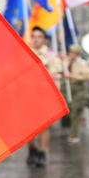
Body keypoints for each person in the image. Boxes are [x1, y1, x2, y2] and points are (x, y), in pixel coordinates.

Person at [27, 26, 61, 167]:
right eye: (34, 36)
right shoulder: (27, 52)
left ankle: (42, 152)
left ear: (45, 39)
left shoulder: (50, 55)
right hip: (28, 93)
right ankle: (32, 149)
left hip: (43, 94)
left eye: (39, 37)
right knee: (28, 125)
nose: (36, 39)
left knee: (43, 126)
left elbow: (58, 74)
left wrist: (41, 71)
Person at [63, 45, 89, 143]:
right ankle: (70, 127)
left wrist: (72, 76)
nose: (71, 54)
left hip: (79, 88)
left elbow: (87, 75)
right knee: (67, 110)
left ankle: (74, 134)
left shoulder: (82, 63)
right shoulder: (65, 61)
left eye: (74, 52)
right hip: (67, 89)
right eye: (70, 52)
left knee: (76, 111)